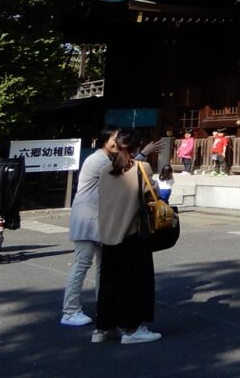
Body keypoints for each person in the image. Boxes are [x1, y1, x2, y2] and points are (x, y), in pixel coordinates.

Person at [93, 129, 161, 344]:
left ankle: (104, 328)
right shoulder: (142, 168)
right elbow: (153, 195)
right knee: (133, 281)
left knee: (109, 281)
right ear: (137, 147)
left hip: (108, 231)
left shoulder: (105, 170)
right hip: (132, 231)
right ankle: (131, 329)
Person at [61, 127, 118, 328]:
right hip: (87, 218)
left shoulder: (104, 159)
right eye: (115, 138)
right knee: (82, 264)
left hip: (97, 219)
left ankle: (103, 306)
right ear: (104, 140)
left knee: (103, 267)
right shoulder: (99, 161)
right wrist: (142, 154)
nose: (118, 142)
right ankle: (70, 311)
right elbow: (123, 175)